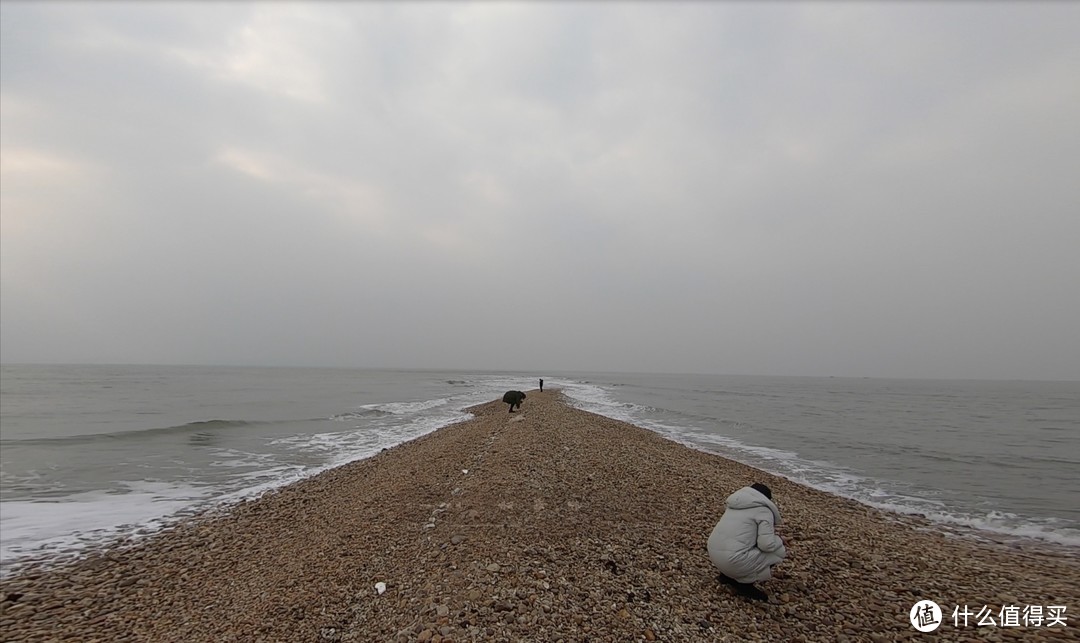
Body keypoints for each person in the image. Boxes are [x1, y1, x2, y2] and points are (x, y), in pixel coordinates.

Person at [706, 483, 787, 601]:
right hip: (731, 561)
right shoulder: (764, 511)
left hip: (714, 554)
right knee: (778, 548)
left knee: (740, 542)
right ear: (766, 499)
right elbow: (766, 545)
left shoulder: (734, 504)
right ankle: (744, 585)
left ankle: (727, 576)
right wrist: (779, 540)